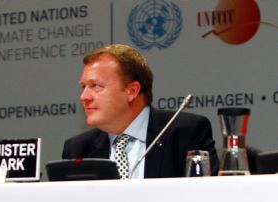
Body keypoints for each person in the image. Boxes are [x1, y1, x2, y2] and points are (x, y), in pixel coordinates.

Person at [62, 44, 219, 178]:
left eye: (95, 86)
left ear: (132, 91)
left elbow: (206, 198)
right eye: (84, 87)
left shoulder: (185, 132)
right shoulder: (78, 148)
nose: (84, 96)